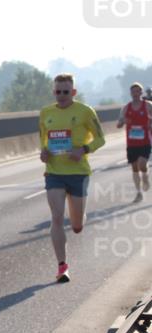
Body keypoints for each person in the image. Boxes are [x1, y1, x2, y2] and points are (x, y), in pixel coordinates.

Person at [38, 73, 106, 283]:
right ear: (53, 92)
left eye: (65, 92)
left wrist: (84, 149)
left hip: (78, 173)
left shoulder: (85, 112)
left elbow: (101, 139)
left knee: (77, 225)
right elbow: (43, 139)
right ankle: (62, 266)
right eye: (58, 92)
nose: (61, 96)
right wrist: (44, 153)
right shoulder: (46, 113)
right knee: (57, 217)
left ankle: (78, 220)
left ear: (73, 92)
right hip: (55, 172)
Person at [116, 81, 151, 202]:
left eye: (137, 91)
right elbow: (119, 124)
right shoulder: (126, 108)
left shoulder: (148, 105)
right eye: (133, 92)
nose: (135, 94)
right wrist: (123, 121)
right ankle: (138, 192)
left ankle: (145, 177)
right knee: (135, 168)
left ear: (141, 92)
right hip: (131, 143)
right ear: (130, 93)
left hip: (145, 141)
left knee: (142, 164)